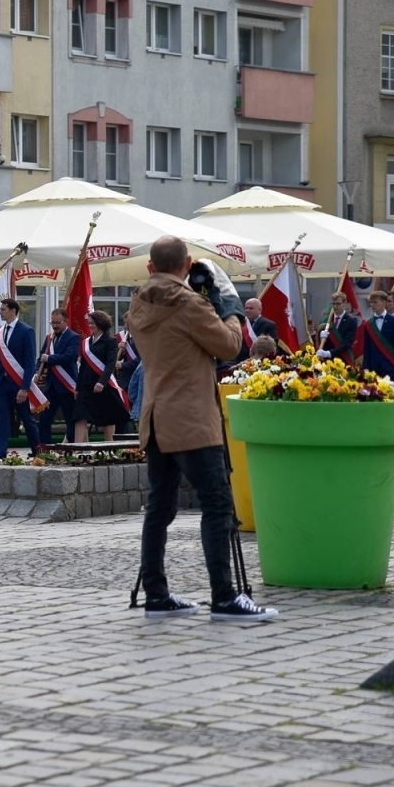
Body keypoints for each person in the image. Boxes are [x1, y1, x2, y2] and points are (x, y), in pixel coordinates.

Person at [128, 236, 277, 622]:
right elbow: (230, 346)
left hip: (156, 416)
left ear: (150, 267)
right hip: (192, 418)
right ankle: (224, 596)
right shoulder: (189, 303)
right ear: (188, 262)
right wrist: (228, 305)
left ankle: (156, 594)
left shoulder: (138, 302)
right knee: (217, 505)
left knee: (158, 508)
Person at [0, 297, 40, 460]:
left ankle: (37, 449)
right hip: (2, 384)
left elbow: (29, 361)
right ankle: (1, 452)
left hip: (18, 384)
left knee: (26, 418)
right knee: (1, 418)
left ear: (13, 310)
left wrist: (24, 387)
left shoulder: (26, 330)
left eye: (3, 309)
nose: (0, 312)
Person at [73, 310, 128, 443]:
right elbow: (83, 366)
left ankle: (109, 446)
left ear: (101, 323)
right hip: (86, 384)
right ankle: (77, 449)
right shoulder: (86, 342)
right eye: (89, 323)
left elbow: (110, 364)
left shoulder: (110, 341)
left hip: (103, 385)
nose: (90, 326)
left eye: (93, 323)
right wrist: (77, 387)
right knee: (80, 417)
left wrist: (102, 382)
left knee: (108, 418)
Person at [36, 309, 80, 447]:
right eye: (52, 322)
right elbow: (41, 356)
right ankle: (44, 448)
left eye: (57, 323)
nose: (54, 326)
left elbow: (69, 357)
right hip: (51, 385)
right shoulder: (50, 338)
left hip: (67, 385)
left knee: (70, 419)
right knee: (44, 418)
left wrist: (50, 358)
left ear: (65, 321)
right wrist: (37, 371)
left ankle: (71, 448)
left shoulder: (73, 337)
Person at [359, 290, 394, 382]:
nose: (372, 305)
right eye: (371, 302)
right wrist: (366, 367)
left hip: (390, 364)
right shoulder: (368, 323)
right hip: (373, 366)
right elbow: (367, 348)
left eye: (375, 302)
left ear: (384, 302)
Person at [316, 292, 360, 368]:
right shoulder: (327, 320)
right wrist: (320, 338)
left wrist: (329, 353)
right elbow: (320, 343)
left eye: (338, 304)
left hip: (343, 360)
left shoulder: (351, 321)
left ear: (344, 303)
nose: (335, 307)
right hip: (327, 362)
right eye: (333, 304)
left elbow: (347, 343)